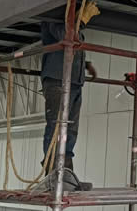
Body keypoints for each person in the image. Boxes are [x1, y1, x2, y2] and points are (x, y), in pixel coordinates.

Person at [41, 14, 97, 175]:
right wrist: (81, 20)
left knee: (71, 127)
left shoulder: (71, 26)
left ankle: (65, 169)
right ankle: (52, 170)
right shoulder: (53, 17)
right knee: (56, 125)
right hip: (57, 79)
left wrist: (85, 64)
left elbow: (71, 48)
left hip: (74, 81)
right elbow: (68, 38)